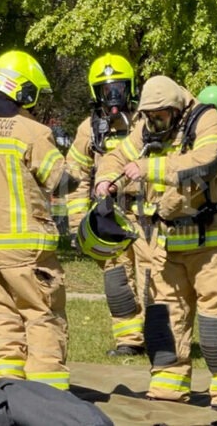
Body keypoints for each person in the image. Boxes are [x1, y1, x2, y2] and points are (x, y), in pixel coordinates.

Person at [94, 75, 217, 410]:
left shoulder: (208, 121)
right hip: (170, 243)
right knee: (164, 323)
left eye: (160, 116)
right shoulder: (147, 127)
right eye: (149, 116)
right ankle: (168, 395)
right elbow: (116, 159)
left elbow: (207, 163)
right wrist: (105, 179)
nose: (153, 123)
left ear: (177, 109)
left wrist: (149, 168)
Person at [0, 50, 78, 391]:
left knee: (2, 322)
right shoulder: (32, 131)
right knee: (42, 317)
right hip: (26, 250)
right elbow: (61, 181)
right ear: (24, 92)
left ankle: (6, 391)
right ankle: (47, 395)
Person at [65, 53, 151, 357]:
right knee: (117, 279)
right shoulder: (88, 130)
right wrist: (77, 225)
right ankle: (129, 340)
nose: (113, 96)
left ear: (130, 88)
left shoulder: (147, 120)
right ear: (95, 92)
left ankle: (157, 337)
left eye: (118, 87)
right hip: (111, 214)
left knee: (151, 278)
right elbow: (74, 179)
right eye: (106, 89)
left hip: (147, 213)